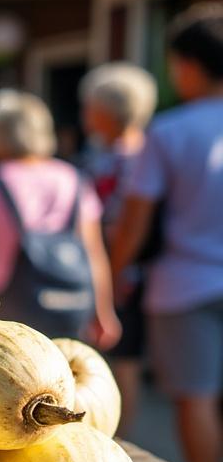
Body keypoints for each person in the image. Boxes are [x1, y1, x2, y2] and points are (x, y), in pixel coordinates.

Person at [112, 3, 223, 462]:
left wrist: (114, 272)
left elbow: (136, 221)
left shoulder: (168, 131)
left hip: (182, 285)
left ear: (188, 65)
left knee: (195, 398)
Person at [0, 90, 119, 346]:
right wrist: (104, 312)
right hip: (72, 303)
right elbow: (94, 252)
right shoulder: (73, 178)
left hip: (6, 306)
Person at [79, 62, 159, 436]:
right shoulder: (144, 151)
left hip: (119, 268)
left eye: (90, 107)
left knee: (121, 357)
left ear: (106, 111)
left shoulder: (121, 159)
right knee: (125, 356)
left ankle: (120, 434)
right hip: (133, 268)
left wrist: (110, 272)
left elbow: (118, 223)